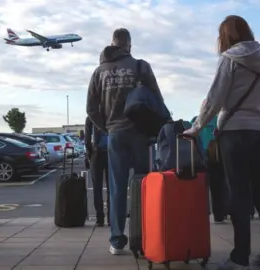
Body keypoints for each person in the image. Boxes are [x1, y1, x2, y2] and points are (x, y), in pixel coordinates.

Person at [183, 15, 260, 270]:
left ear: (225, 36)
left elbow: (215, 98)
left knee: (238, 193)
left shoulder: (229, 59)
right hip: (259, 132)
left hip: (234, 132)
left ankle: (240, 257)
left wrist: (197, 127)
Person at [86, 28, 163, 255]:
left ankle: (117, 241)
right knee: (144, 185)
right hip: (141, 134)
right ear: (129, 45)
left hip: (115, 135)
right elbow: (157, 100)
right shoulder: (141, 66)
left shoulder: (99, 71)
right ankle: (146, 236)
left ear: (112, 44)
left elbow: (91, 108)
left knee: (117, 188)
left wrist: (107, 127)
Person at [191, 110, 229, 223]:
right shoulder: (219, 120)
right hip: (216, 155)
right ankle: (220, 214)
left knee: (201, 187)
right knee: (219, 186)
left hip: (200, 156)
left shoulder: (196, 120)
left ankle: (203, 211)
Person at [84, 116, 109, 227]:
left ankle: (100, 218)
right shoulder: (109, 114)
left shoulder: (91, 118)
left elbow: (87, 140)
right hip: (110, 153)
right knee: (112, 187)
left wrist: (90, 155)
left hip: (96, 153)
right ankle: (112, 218)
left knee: (97, 187)